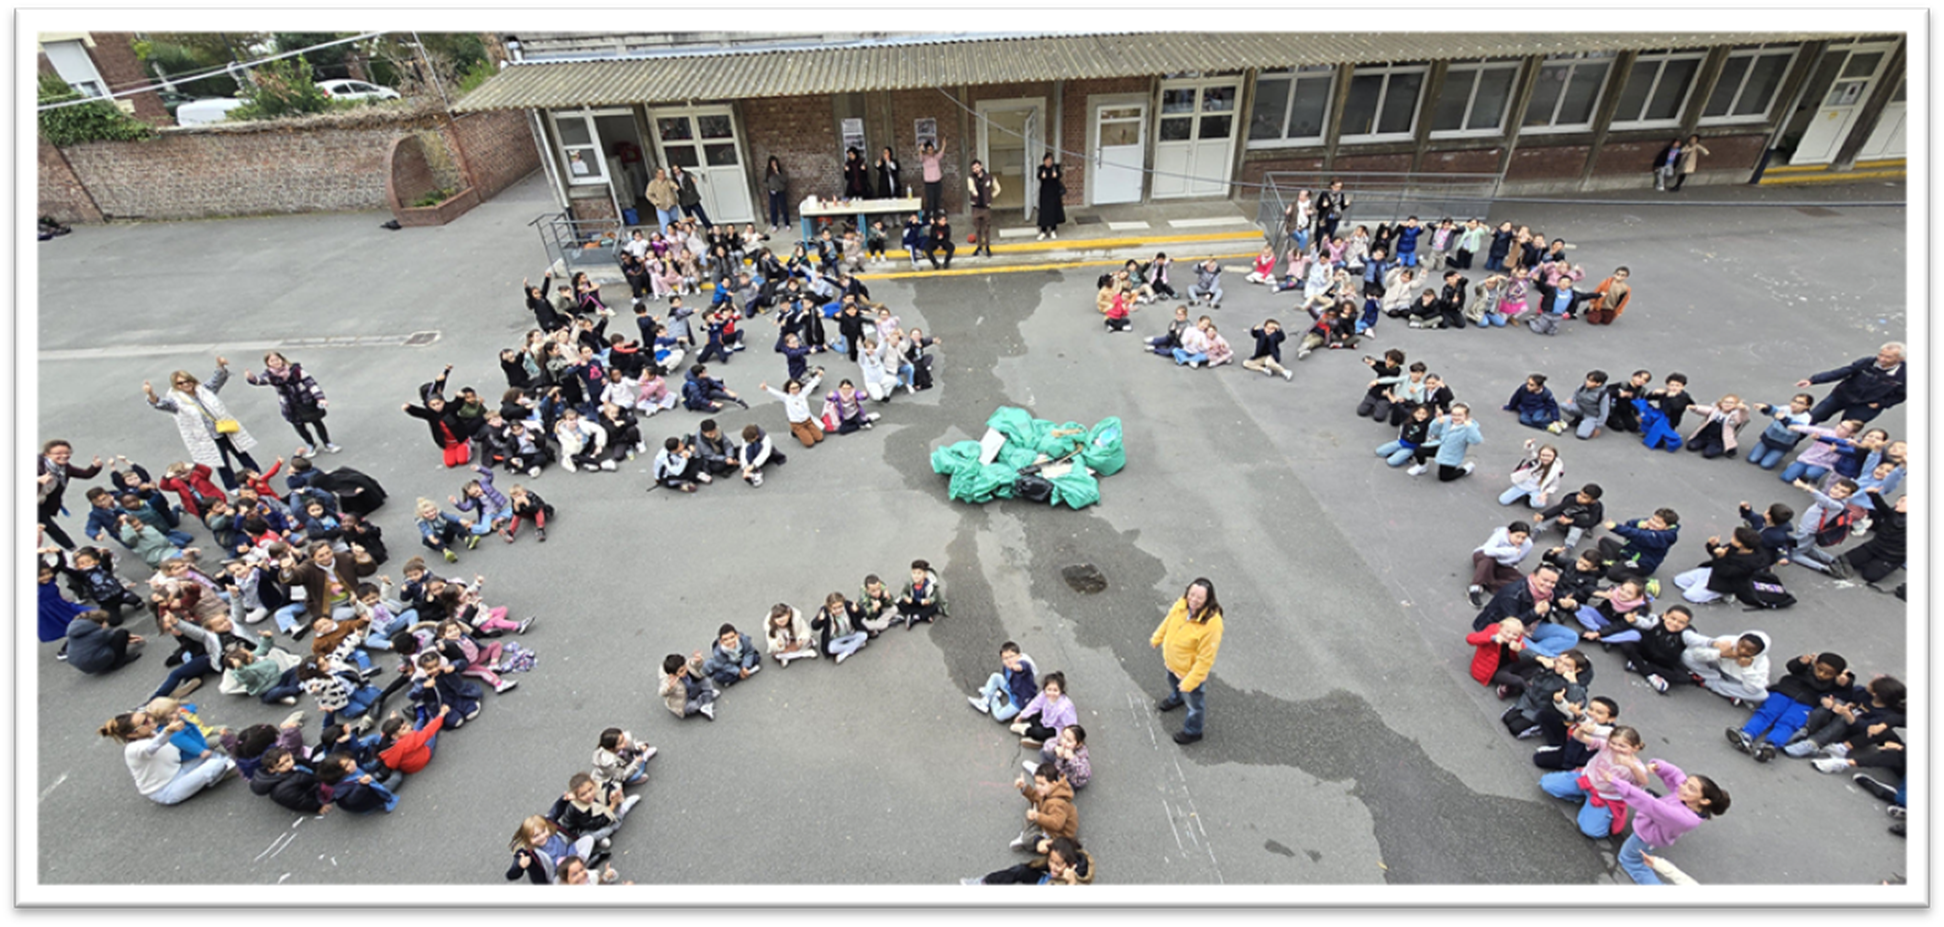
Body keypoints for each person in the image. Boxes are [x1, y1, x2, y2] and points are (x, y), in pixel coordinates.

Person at [143, 359, 262, 491]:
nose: (185, 384)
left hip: (225, 429)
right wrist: (150, 394)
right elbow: (161, 404)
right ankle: (232, 486)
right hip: (208, 436)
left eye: (188, 381)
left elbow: (216, 380)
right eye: (180, 383)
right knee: (222, 463)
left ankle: (256, 475)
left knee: (242, 453)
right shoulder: (176, 401)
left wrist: (220, 366)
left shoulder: (203, 390)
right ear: (176, 386)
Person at [1610, 760, 1728, 884]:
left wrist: (1617, 783)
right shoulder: (1688, 798)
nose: (1682, 787)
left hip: (1646, 837)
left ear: (1704, 801)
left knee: (1630, 861)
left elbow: (1651, 804)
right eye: (1686, 783)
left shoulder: (1684, 818)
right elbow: (1676, 774)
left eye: (1691, 788)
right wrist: (1659, 766)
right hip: (1652, 826)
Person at [1728, 652, 1850, 762]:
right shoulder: (1806, 668)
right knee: (1766, 713)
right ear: (1815, 663)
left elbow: (1847, 691)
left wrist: (1845, 682)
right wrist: (1801, 662)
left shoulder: (1835, 683)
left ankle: (1770, 746)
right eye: (1820, 669)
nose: (1822, 674)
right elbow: (1792, 667)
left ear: (1836, 675)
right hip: (1783, 693)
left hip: (1806, 703)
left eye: (1828, 674)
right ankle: (1747, 734)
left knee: (1789, 723)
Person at [100, 710, 238, 805]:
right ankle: (217, 774)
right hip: (165, 789)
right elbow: (152, 747)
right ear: (132, 735)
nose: (150, 720)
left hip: (178, 770)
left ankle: (220, 770)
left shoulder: (151, 732)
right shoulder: (133, 749)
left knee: (214, 755)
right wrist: (168, 731)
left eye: (146, 716)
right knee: (214, 765)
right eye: (145, 722)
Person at [1538, 721, 1647, 838]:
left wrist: (1631, 766)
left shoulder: (1636, 766)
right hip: (1585, 780)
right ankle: (1579, 797)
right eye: (1613, 743)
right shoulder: (1606, 746)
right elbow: (1580, 738)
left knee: (1591, 831)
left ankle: (1605, 813)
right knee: (1546, 783)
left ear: (1635, 748)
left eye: (1622, 746)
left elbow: (1643, 781)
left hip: (1605, 796)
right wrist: (1580, 730)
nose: (1616, 748)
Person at [1151, 578, 1223, 745]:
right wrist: (1157, 638)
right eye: (1191, 594)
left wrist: (1190, 681)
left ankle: (1193, 731)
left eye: (1199, 598)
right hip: (1172, 663)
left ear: (1208, 599)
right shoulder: (1182, 605)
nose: (1193, 600)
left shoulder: (1212, 624)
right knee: (1172, 681)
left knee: (1195, 706)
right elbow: (1168, 621)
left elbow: (1206, 658)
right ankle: (1177, 697)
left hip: (1189, 674)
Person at [1795, 342, 1907, 424]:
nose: (1882, 359)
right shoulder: (1867, 362)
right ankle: (1790, 441)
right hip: (1841, 396)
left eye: (1888, 357)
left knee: (1845, 430)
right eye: (1881, 355)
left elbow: (1901, 395)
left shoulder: (1905, 374)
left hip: (1865, 405)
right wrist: (1813, 380)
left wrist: (1881, 403)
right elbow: (1843, 372)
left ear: (1900, 359)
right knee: (1812, 418)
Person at [1672, 527, 1767, 605]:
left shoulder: (1749, 564)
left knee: (1689, 596)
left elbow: (1724, 572)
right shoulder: (1735, 547)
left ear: (1740, 544)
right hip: (1712, 572)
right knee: (1678, 580)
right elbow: (1718, 553)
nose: (1731, 539)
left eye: (1734, 537)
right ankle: (1700, 587)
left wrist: (1720, 557)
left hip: (1724, 583)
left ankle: (1722, 594)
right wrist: (1714, 546)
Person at [38, 440, 104, 550]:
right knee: (50, 527)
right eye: (58, 453)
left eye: (67, 453)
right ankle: (73, 549)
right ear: (47, 454)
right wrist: (38, 480)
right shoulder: (37, 466)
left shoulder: (63, 468)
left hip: (43, 503)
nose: (64, 456)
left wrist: (95, 466)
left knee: (46, 526)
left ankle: (72, 549)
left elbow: (85, 474)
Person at [1682, 630, 1771, 705]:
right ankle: (1723, 687)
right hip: (1716, 666)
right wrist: (1720, 654)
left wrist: (1747, 669)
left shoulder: (1762, 663)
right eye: (1742, 645)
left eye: (1750, 651)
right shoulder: (1726, 641)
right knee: (1687, 654)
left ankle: (1707, 682)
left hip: (1737, 679)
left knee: (1762, 695)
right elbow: (1697, 653)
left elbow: (1755, 688)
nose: (1742, 651)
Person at [965, 835, 1095, 886]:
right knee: (1020, 870)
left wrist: (1071, 882)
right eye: (1050, 861)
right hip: (1043, 881)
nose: (1052, 866)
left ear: (1070, 865)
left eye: (1057, 864)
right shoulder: (1062, 856)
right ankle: (985, 883)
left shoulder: (1079, 883)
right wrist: (1039, 841)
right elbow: (1039, 839)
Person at [1594, 508, 1681, 583]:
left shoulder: (1664, 537)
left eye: (1658, 523)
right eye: (1653, 519)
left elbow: (1638, 535)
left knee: (1612, 574)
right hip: (1629, 552)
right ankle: (1615, 563)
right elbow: (1629, 524)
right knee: (1604, 541)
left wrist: (1616, 527)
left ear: (1667, 527)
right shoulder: (1650, 524)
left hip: (1641, 563)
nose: (1653, 523)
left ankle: (1646, 583)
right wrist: (1639, 524)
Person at [1008, 763, 1078, 855]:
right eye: (1036, 783)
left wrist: (1037, 816)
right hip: (1050, 823)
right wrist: (1024, 787)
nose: (1038, 787)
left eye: (1042, 784)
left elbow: (1057, 824)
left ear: (1054, 783)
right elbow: (1036, 797)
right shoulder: (1049, 792)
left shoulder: (1057, 804)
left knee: (1029, 838)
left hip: (1059, 836)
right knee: (1030, 816)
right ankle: (1030, 834)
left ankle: (1034, 840)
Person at [1410, 404, 1483, 482]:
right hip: (1440, 446)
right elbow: (1434, 432)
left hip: (1451, 454)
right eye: (1453, 414)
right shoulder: (1447, 420)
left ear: (1466, 416)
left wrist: (1470, 427)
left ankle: (1466, 469)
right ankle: (1422, 465)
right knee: (1419, 450)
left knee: (1444, 477)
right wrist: (1437, 422)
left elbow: (1476, 441)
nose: (1456, 417)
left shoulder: (1469, 427)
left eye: (1460, 415)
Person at [968, 642, 1039, 722]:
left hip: (1020, 699)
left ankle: (993, 697)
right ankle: (986, 700)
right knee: (995, 676)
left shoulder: (1023, 665)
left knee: (999, 716)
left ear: (1019, 656)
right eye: (1005, 658)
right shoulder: (1006, 666)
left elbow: (1023, 667)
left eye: (1011, 656)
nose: (1009, 660)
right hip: (1011, 686)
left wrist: (1017, 667)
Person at [1468, 521, 1533, 607]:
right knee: (1488, 560)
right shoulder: (1500, 535)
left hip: (1504, 564)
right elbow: (1488, 551)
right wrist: (1511, 551)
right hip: (1484, 557)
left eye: (1523, 538)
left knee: (1522, 581)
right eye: (1517, 536)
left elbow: (1519, 559)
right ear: (1509, 533)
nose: (1520, 540)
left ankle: (1489, 582)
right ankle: (1475, 588)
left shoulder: (1528, 544)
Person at [1009, 672, 1075, 748]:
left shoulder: (1065, 707)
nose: (1052, 693)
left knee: (1040, 733)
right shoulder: (1044, 695)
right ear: (1045, 689)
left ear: (1061, 691)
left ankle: (1026, 731)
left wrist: (1067, 741)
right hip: (1045, 719)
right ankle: (1033, 729)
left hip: (1055, 728)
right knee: (1032, 714)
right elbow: (1035, 705)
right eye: (1049, 689)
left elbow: (1071, 726)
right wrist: (1022, 715)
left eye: (1055, 690)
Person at [1500, 440, 1564, 509]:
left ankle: (1528, 498)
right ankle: (1520, 493)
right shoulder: (1535, 460)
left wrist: (1545, 493)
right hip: (1522, 486)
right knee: (1503, 501)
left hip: (1536, 489)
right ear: (1539, 455)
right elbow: (1529, 453)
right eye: (1543, 455)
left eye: (1549, 456)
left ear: (1554, 457)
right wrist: (1529, 445)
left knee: (1540, 504)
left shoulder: (1555, 470)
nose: (1545, 458)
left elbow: (1554, 486)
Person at [809, 591, 869, 664]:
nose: (838, 610)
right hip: (835, 638)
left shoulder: (848, 605)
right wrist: (819, 620)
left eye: (840, 607)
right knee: (831, 649)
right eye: (834, 608)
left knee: (864, 635)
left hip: (850, 633)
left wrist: (857, 610)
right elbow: (814, 627)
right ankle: (856, 646)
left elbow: (863, 614)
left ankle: (846, 653)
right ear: (829, 607)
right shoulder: (824, 612)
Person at [657, 652, 716, 721]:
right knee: (692, 707)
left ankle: (707, 697)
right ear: (672, 675)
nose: (685, 671)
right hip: (684, 700)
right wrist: (670, 688)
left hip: (692, 688)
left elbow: (695, 667)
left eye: (685, 668)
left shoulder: (687, 665)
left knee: (707, 681)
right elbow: (662, 693)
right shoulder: (669, 681)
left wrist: (698, 661)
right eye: (681, 671)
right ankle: (706, 699)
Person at [704, 623, 762, 688]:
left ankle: (736, 677)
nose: (730, 641)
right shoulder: (718, 652)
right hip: (728, 665)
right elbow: (724, 665)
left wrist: (745, 666)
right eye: (725, 639)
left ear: (737, 636)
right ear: (721, 642)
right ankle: (743, 674)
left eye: (732, 637)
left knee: (756, 657)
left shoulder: (744, 640)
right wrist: (738, 672)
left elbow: (749, 652)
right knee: (719, 677)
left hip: (740, 659)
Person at [966, 159, 1000, 258]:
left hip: (985, 207)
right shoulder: (971, 178)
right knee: (977, 229)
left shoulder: (989, 177)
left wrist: (991, 197)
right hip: (976, 207)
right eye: (973, 168)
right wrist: (974, 192)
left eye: (977, 167)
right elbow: (971, 187)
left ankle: (987, 246)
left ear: (981, 167)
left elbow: (998, 188)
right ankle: (979, 246)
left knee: (987, 229)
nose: (976, 170)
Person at [1035, 154, 1065, 239]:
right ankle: (1043, 231)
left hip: (1054, 193)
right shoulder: (1041, 168)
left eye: (1050, 161)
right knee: (1044, 212)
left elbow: (1060, 175)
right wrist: (1042, 176)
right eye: (1047, 161)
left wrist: (1056, 175)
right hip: (1045, 194)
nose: (1048, 163)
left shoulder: (1055, 168)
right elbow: (1039, 176)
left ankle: (1053, 230)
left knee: (1053, 212)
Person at [669, 163, 709, 228]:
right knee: (689, 219)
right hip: (684, 201)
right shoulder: (673, 179)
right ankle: (693, 230)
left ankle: (709, 228)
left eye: (677, 169)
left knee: (702, 215)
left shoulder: (686, 174)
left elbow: (692, 176)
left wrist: (693, 178)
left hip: (693, 199)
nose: (677, 171)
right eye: (675, 170)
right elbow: (671, 185)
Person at [918, 139, 947, 219]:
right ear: (926, 150)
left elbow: (941, 153)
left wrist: (944, 145)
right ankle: (927, 217)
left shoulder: (936, 157)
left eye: (932, 149)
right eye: (929, 150)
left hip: (937, 182)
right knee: (930, 201)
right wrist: (921, 149)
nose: (931, 151)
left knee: (937, 200)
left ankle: (936, 217)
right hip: (929, 183)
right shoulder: (924, 158)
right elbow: (920, 157)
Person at [763, 156, 789, 232]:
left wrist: (778, 173)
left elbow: (785, 180)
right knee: (773, 208)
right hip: (772, 192)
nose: (774, 164)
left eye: (775, 163)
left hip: (781, 191)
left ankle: (787, 223)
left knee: (784, 207)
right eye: (772, 163)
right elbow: (764, 182)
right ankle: (774, 224)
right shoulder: (767, 172)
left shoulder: (781, 171)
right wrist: (769, 188)